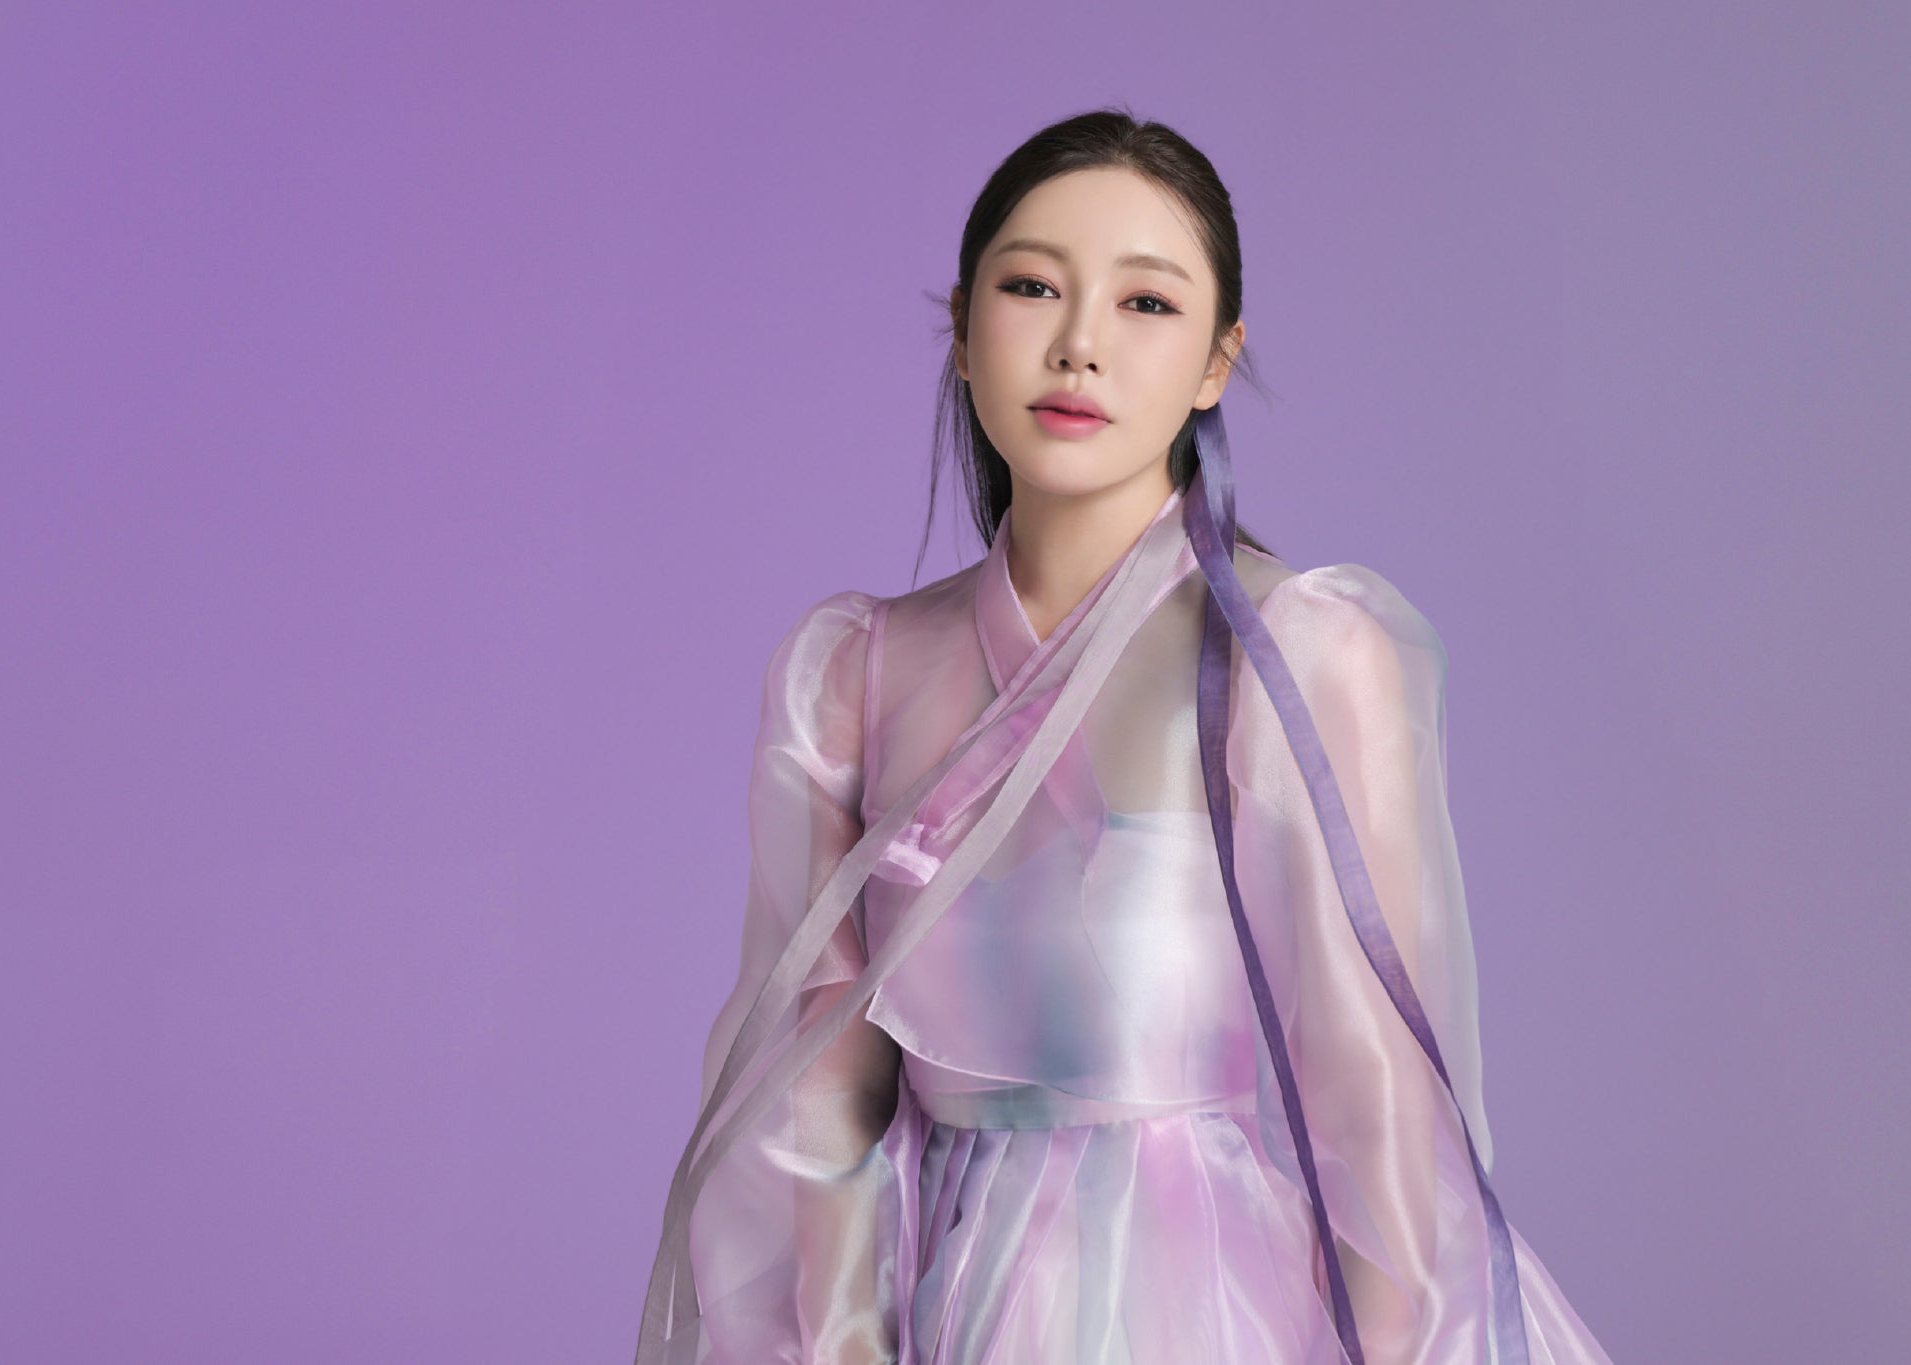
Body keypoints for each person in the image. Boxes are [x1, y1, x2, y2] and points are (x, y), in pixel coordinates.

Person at [635, 107, 1615, 1365]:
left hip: (1205, 1297)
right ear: (960, 331)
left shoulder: (1296, 653)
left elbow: (1373, 1103)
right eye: (1031, 287)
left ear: (1217, 360)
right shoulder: (854, 673)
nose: (1079, 345)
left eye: (1145, 303)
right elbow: (806, 1098)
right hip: (938, 1298)